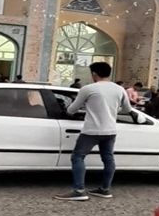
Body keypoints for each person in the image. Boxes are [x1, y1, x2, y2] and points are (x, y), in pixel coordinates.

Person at [55, 62, 131, 201]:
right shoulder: (119, 89)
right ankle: (105, 189)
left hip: (92, 130)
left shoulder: (88, 89)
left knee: (77, 157)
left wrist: (82, 109)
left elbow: (72, 109)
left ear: (94, 74)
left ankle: (79, 190)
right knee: (108, 158)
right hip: (110, 130)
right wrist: (112, 111)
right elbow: (127, 109)